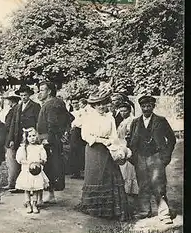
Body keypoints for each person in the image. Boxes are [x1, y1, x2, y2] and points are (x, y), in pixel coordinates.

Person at [75, 86, 130, 221]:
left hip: (107, 150)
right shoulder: (89, 117)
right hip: (94, 150)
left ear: (107, 104)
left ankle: (111, 209)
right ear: (94, 105)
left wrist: (115, 146)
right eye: (97, 104)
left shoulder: (109, 117)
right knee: (95, 177)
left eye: (103, 103)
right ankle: (94, 207)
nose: (100, 106)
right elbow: (85, 135)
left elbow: (114, 135)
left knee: (109, 176)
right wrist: (100, 140)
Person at [126, 95, 177, 224]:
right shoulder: (135, 122)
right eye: (143, 106)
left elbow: (171, 139)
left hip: (156, 156)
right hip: (140, 157)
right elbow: (130, 140)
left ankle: (164, 213)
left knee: (159, 185)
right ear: (140, 107)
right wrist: (133, 156)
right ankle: (144, 211)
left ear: (153, 107)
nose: (146, 109)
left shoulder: (161, 120)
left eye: (149, 106)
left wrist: (165, 156)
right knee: (143, 185)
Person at [36, 81, 74, 205]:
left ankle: (50, 194)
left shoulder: (52, 104)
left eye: (42, 90)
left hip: (49, 141)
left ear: (49, 92)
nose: (39, 93)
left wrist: (49, 139)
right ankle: (49, 194)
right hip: (51, 139)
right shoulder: (56, 103)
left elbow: (52, 123)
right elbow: (70, 118)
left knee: (49, 166)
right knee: (51, 166)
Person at [7, 84, 41, 193]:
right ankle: (19, 185)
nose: (23, 97)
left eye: (25, 95)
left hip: (29, 137)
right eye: (21, 95)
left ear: (29, 95)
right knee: (19, 159)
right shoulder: (17, 107)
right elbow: (13, 123)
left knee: (29, 159)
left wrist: (36, 136)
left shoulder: (35, 106)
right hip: (18, 137)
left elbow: (38, 123)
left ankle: (31, 185)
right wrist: (11, 139)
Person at [15, 127, 50, 214]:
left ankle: (34, 204)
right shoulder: (24, 148)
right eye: (29, 136)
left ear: (37, 136)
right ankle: (28, 203)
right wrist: (28, 162)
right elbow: (20, 159)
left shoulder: (40, 147)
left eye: (34, 135)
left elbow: (44, 159)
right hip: (27, 170)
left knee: (36, 188)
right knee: (27, 188)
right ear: (26, 138)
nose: (32, 138)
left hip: (36, 171)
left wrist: (38, 162)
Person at [116, 102, 139, 206]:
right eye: (120, 111)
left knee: (129, 170)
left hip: (127, 146)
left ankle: (131, 193)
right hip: (121, 145)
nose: (122, 113)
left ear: (129, 111)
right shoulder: (123, 121)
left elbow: (130, 136)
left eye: (124, 111)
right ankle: (125, 192)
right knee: (123, 169)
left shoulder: (132, 121)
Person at [2, 90, 22, 191]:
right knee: (13, 161)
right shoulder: (15, 109)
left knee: (12, 161)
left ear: (12, 101)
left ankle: (12, 183)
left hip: (11, 139)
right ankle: (12, 182)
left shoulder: (15, 110)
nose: (7, 102)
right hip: (11, 138)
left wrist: (10, 140)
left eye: (8, 100)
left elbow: (11, 127)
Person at [68, 98, 87, 179]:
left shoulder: (83, 112)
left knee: (81, 152)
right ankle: (75, 172)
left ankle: (83, 171)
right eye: (73, 103)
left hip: (81, 132)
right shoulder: (71, 113)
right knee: (74, 151)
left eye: (77, 103)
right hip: (73, 134)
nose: (75, 104)